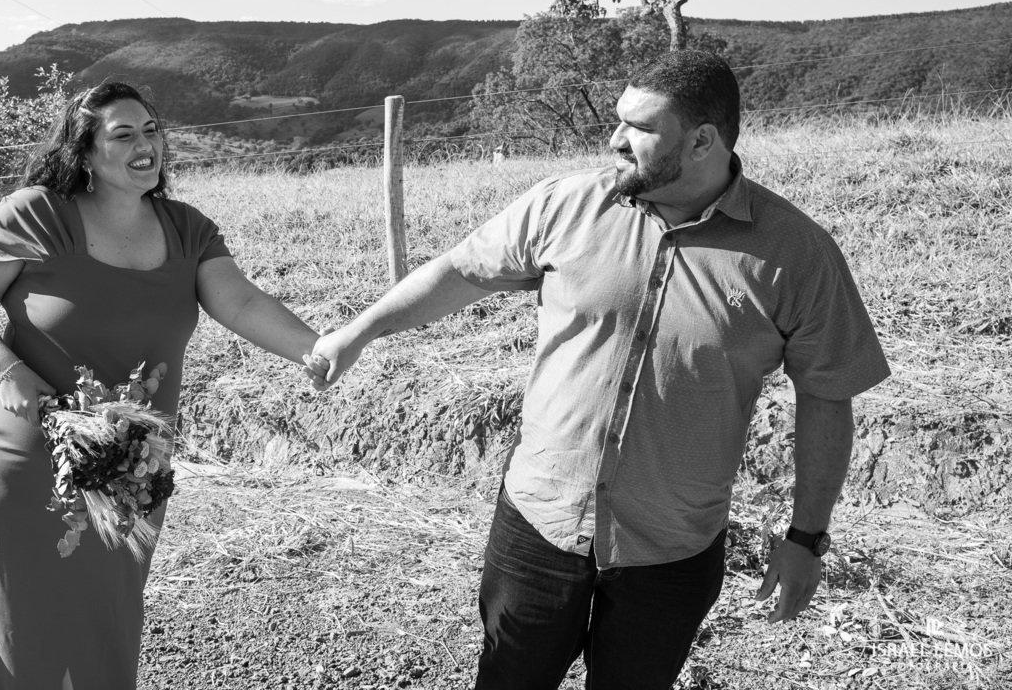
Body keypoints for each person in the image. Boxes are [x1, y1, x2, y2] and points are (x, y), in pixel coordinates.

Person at [305, 51, 890, 689]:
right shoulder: (566, 205)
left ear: (702, 141)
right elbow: (459, 271)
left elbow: (827, 397)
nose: (615, 139)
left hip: (671, 550)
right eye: (618, 120)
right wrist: (359, 332)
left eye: (638, 127)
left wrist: (807, 538)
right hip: (538, 523)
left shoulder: (796, 255)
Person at [0, 82, 320, 690]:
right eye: (123, 134)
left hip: (132, 472)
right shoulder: (35, 213)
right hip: (25, 459)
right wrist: (8, 370)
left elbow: (241, 301)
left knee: (107, 623)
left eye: (151, 130)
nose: (146, 145)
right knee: (24, 631)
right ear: (84, 153)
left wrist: (316, 349)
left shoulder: (187, 229)